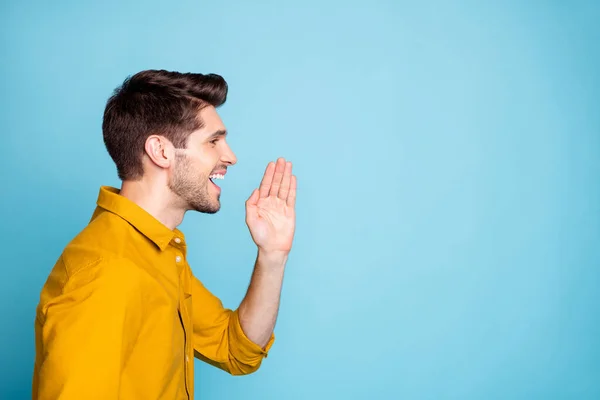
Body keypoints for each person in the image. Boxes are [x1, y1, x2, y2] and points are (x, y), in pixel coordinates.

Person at [31, 69, 297, 399]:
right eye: (213, 141)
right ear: (161, 151)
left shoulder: (157, 251)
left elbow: (236, 349)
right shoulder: (107, 272)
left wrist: (272, 255)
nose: (230, 156)